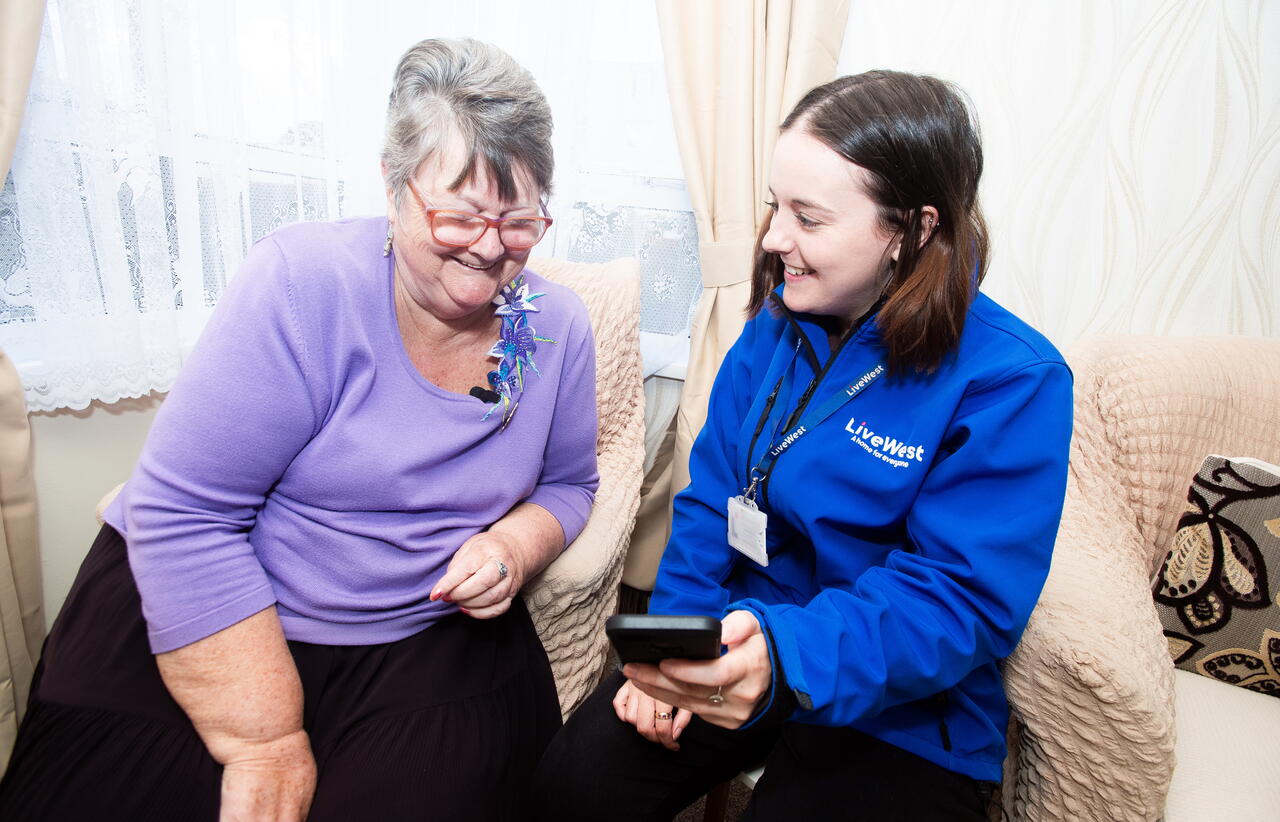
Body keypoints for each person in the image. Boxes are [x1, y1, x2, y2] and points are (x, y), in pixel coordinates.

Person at [0, 38, 597, 822]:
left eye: (519, 222)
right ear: (394, 187)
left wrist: (512, 546)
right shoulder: (299, 283)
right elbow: (184, 513)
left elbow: (569, 484)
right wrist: (264, 738)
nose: (490, 249)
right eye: (459, 217)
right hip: (222, 601)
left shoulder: (552, 327)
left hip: (422, 627)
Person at [534, 70, 1072, 821]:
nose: (775, 238)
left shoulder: (1013, 380)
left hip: (901, 706)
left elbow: (963, 598)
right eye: (773, 205)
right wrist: (673, 649)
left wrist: (788, 655)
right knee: (572, 784)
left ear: (912, 230)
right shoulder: (776, 324)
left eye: (809, 219)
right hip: (740, 641)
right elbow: (713, 497)